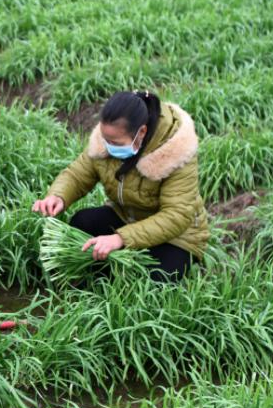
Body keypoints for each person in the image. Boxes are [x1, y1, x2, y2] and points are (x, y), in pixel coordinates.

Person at [33, 91, 209, 282]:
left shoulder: (176, 151)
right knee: (81, 224)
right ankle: (97, 281)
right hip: (127, 216)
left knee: (153, 281)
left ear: (141, 132)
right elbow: (78, 174)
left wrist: (120, 239)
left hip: (176, 237)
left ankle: (117, 276)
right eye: (105, 139)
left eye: (115, 143)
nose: (108, 146)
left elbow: (176, 216)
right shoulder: (107, 138)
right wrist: (58, 196)